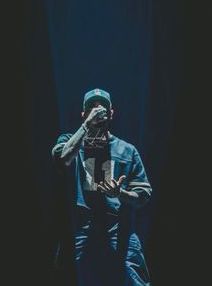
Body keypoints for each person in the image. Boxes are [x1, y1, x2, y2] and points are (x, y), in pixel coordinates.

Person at [52, 88, 152, 286]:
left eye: (102, 106)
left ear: (111, 112)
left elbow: (144, 195)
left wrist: (120, 193)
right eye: (91, 106)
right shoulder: (69, 141)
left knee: (134, 278)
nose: (97, 109)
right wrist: (87, 125)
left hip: (117, 228)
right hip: (81, 228)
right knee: (72, 276)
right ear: (84, 114)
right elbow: (64, 159)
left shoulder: (127, 150)